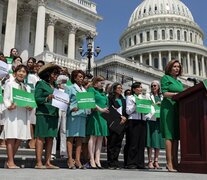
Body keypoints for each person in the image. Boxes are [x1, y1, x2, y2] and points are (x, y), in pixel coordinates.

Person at [2, 64, 32, 168]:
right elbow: (5, 98)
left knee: (19, 137)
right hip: (12, 113)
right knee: (11, 136)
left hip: (23, 114)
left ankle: (10, 160)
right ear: (15, 73)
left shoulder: (27, 87)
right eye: (19, 71)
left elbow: (29, 100)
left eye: (24, 72)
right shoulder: (9, 84)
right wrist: (9, 106)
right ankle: (10, 161)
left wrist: (30, 106)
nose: (21, 73)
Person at [34, 63, 60, 169]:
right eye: (54, 73)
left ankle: (48, 162)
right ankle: (39, 162)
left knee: (50, 138)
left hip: (54, 114)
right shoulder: (40, 83)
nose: (56, 76)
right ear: (48, 74)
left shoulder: (56, 86)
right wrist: (47, 98)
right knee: (41, 138)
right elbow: (37, 98)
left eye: (57, 74)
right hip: (43, 113)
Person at [160, 59, 184, 172]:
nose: (177, 68)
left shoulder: (179, 82)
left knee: (176, 136)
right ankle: (169, 163)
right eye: (174, 66)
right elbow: (164, 93)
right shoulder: (165, 78)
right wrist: (176, 95)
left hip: (177, 108)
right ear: (169, 68)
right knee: (169, 136)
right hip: (168, 108)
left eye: (178, 67)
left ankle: (175, 162)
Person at [65, 70, 87, 169]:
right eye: (79, 77)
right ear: (74, 78)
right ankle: (70, 159)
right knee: (70, 137)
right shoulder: (69, 88)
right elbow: (65, 102)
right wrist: (71, 109)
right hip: (73, 115)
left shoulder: (85, 90)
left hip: (82, 115)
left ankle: (77, 160)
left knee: (80, 138)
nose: (81, 79)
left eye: (82, 77)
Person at [86, 76, 109, 169]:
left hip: (103, 117)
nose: (102, 85)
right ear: (96, 82)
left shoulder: (103, 93)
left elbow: (106, 104)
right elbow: (90, 102)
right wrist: (101, 109)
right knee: (93, 137)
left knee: (100, 138)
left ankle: (97, 159)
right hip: (95, 115)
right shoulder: (91, 90)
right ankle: (91, 159)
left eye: (103, 83)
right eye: (101, 83)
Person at [125, 82, 147, 169]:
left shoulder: (143, 98)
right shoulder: (130, 98)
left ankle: (140, 163)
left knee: (141, 143)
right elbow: (128, 111)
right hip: (133, 120)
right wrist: (135, 105)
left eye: (141, 87)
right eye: (138, 87)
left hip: (142, 120)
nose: (140, 89)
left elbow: (146, 109)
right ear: (134, 89)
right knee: (133, 142)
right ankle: (131, 163)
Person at [145, 80, 165, 169]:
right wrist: (154, 104)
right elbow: (146, 106)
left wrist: (162, 104)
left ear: (158, 87)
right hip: (151, 120)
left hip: (159, 120)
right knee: (150, 140)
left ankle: (156, 161)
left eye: (155, 86)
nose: (153, 87)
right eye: (152, 86)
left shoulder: (162, 96)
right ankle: (149, 161)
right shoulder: (148, 95)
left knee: (158, 141)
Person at [107, 83, 127, 169]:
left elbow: (125, 110)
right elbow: (110, 109)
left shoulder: (123, 100)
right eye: (118, 88)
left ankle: (116, 161)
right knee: (112, 142)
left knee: (118, 143)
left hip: (122, 123)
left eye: (121, 88)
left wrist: (125, 118)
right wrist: (120, 116)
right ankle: (110, 162)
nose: (120, 89)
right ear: (114, 89)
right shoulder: (110, 98)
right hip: (114, 122)